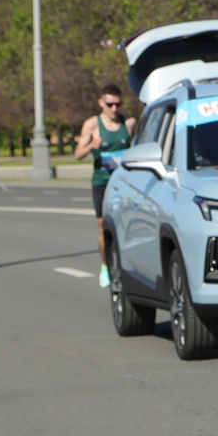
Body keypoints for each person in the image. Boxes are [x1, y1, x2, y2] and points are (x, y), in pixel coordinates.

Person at [75, 84, 133, 286]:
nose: (114, 109)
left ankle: (129, 264)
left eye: (118, 104)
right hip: (102, 180)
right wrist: (92, 145)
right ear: (101, 103)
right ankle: (105, 266)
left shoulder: (129, 123)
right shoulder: (92, 125)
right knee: (102, 224)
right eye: (110, 104)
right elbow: (78, 155)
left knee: (126, 224)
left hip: (124, 182)